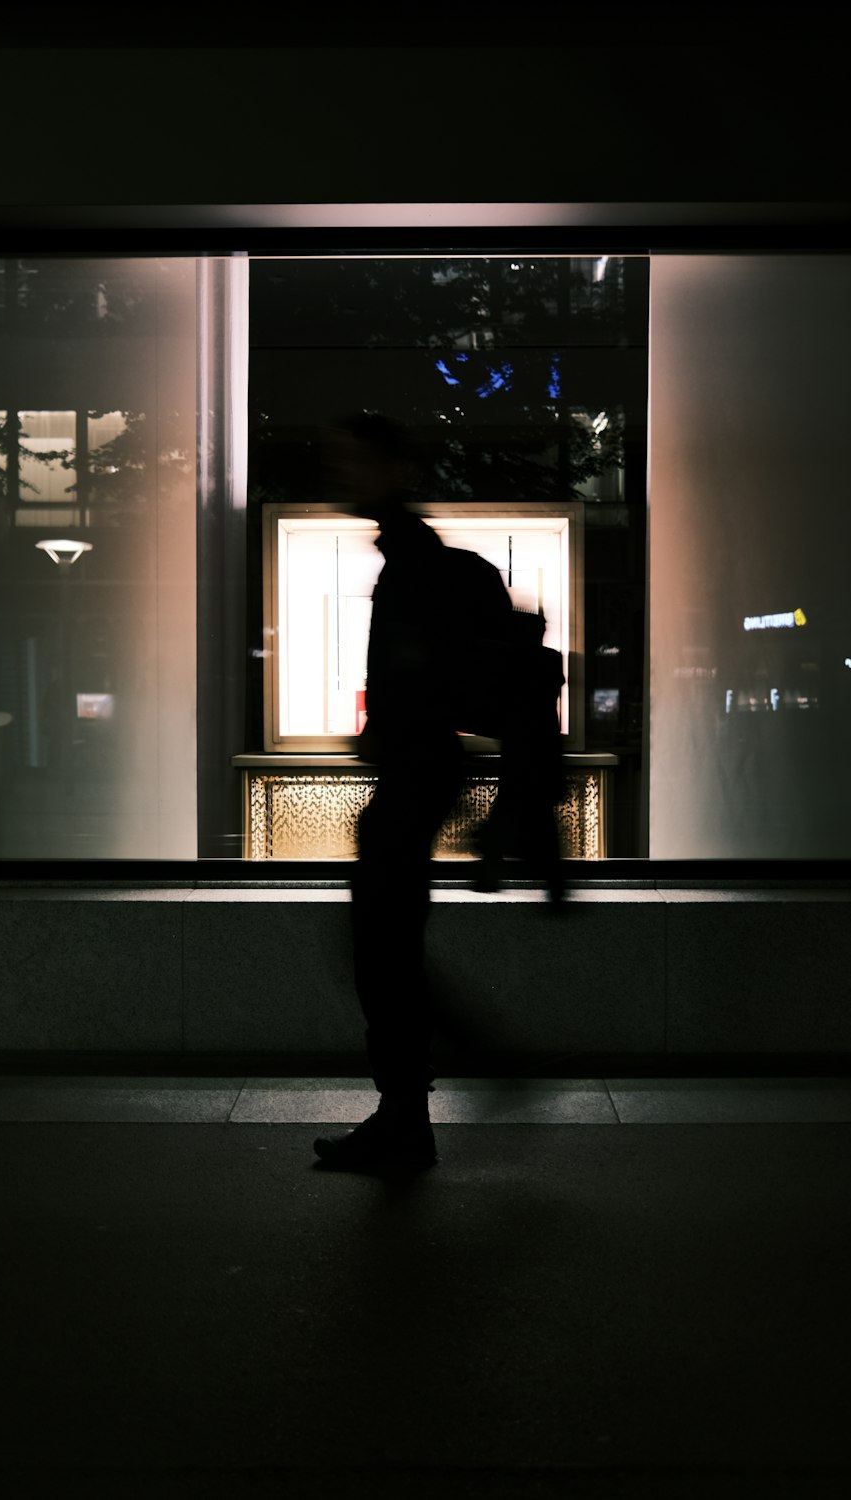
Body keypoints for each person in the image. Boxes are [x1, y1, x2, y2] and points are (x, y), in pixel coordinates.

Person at [313, 413, 469, 1173]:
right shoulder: (410, 558)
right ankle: (405, 1114)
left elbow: (416, 683)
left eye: (356, 459)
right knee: (388, 945)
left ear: (393, 468)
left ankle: (408, 1115)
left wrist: (387, 731)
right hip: (418, 773)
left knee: (384, 948)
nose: (345, 473)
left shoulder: (411, 562)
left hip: (413, 777)